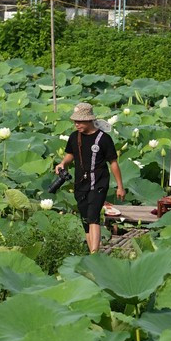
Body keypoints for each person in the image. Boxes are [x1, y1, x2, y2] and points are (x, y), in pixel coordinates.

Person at [54, 102, 126, 254]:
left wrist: (120, 186)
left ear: (89, 120)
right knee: (86, 219)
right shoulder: (74, 137)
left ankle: (95, 253)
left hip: (99, 182)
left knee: (93, 216)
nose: (76, 124)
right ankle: (91, 253)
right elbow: (70, 155)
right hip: (80, 183)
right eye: (75, 121)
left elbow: (113, 163)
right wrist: (62, 164)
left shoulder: (104, 139)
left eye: (79, 121)